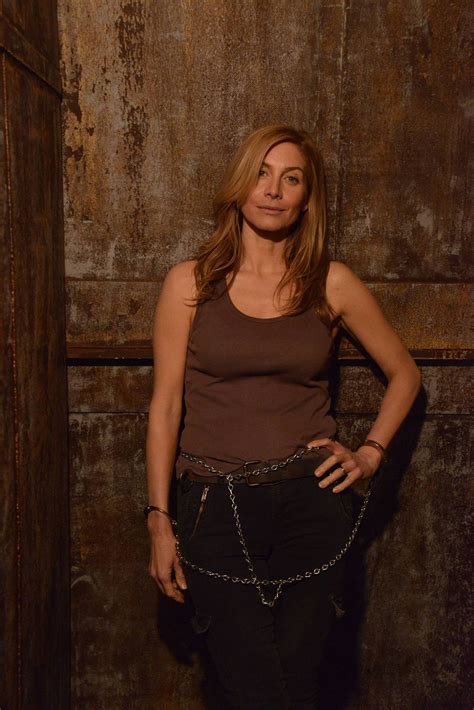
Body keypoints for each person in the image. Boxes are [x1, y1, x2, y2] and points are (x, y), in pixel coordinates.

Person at [145, 124, 422, 708]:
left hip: (310, 503)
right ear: (240, 186)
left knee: (298, 682)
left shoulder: (332, 282)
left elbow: (405, 373)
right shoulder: (189, 283)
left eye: (290, 179)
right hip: (212, 504)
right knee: (253, 685)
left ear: (305, 198)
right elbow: (166, 406)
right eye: (262, 174)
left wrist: (369, 454)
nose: (273, 190)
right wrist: (158, 520)